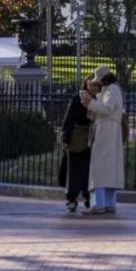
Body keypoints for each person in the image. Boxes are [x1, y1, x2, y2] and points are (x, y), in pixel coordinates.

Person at [80, 66, 125, 216]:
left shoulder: (112, 90)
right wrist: (89, 103)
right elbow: (100, 111)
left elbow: (107, 109)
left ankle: (99, 203)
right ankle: (108, 203)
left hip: (106, 130)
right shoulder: (109, 90)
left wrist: (90, 103)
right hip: (107, 129)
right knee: (109, 167)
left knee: (99, 166)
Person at [58, 78, 94, 213]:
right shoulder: (78, 99)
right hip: (76, 138)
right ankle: (72, 198)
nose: (91, 88)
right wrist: (66, 138)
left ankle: (88, 197)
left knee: (88, 171)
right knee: (72, 171)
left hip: (91, 139)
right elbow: (69, 118)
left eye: (94, 85)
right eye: (89, 85)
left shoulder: (97, 99)